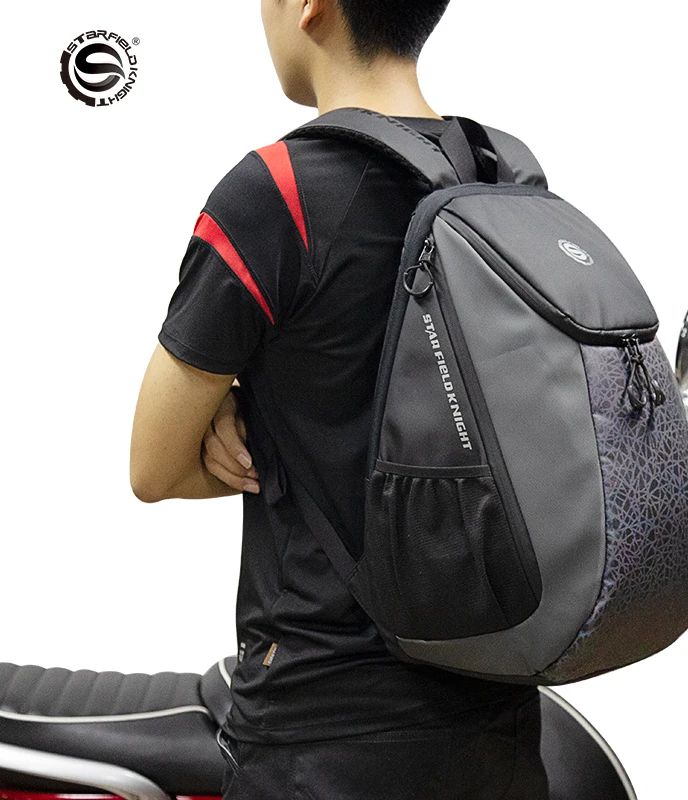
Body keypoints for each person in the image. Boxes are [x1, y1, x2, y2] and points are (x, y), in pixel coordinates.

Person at [130, 0, 550, 797]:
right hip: (497, 713)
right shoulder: (506, 174)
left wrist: (249, 413)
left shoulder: (277, 192)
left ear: (310, 6)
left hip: (322, 728)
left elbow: (153, 467)